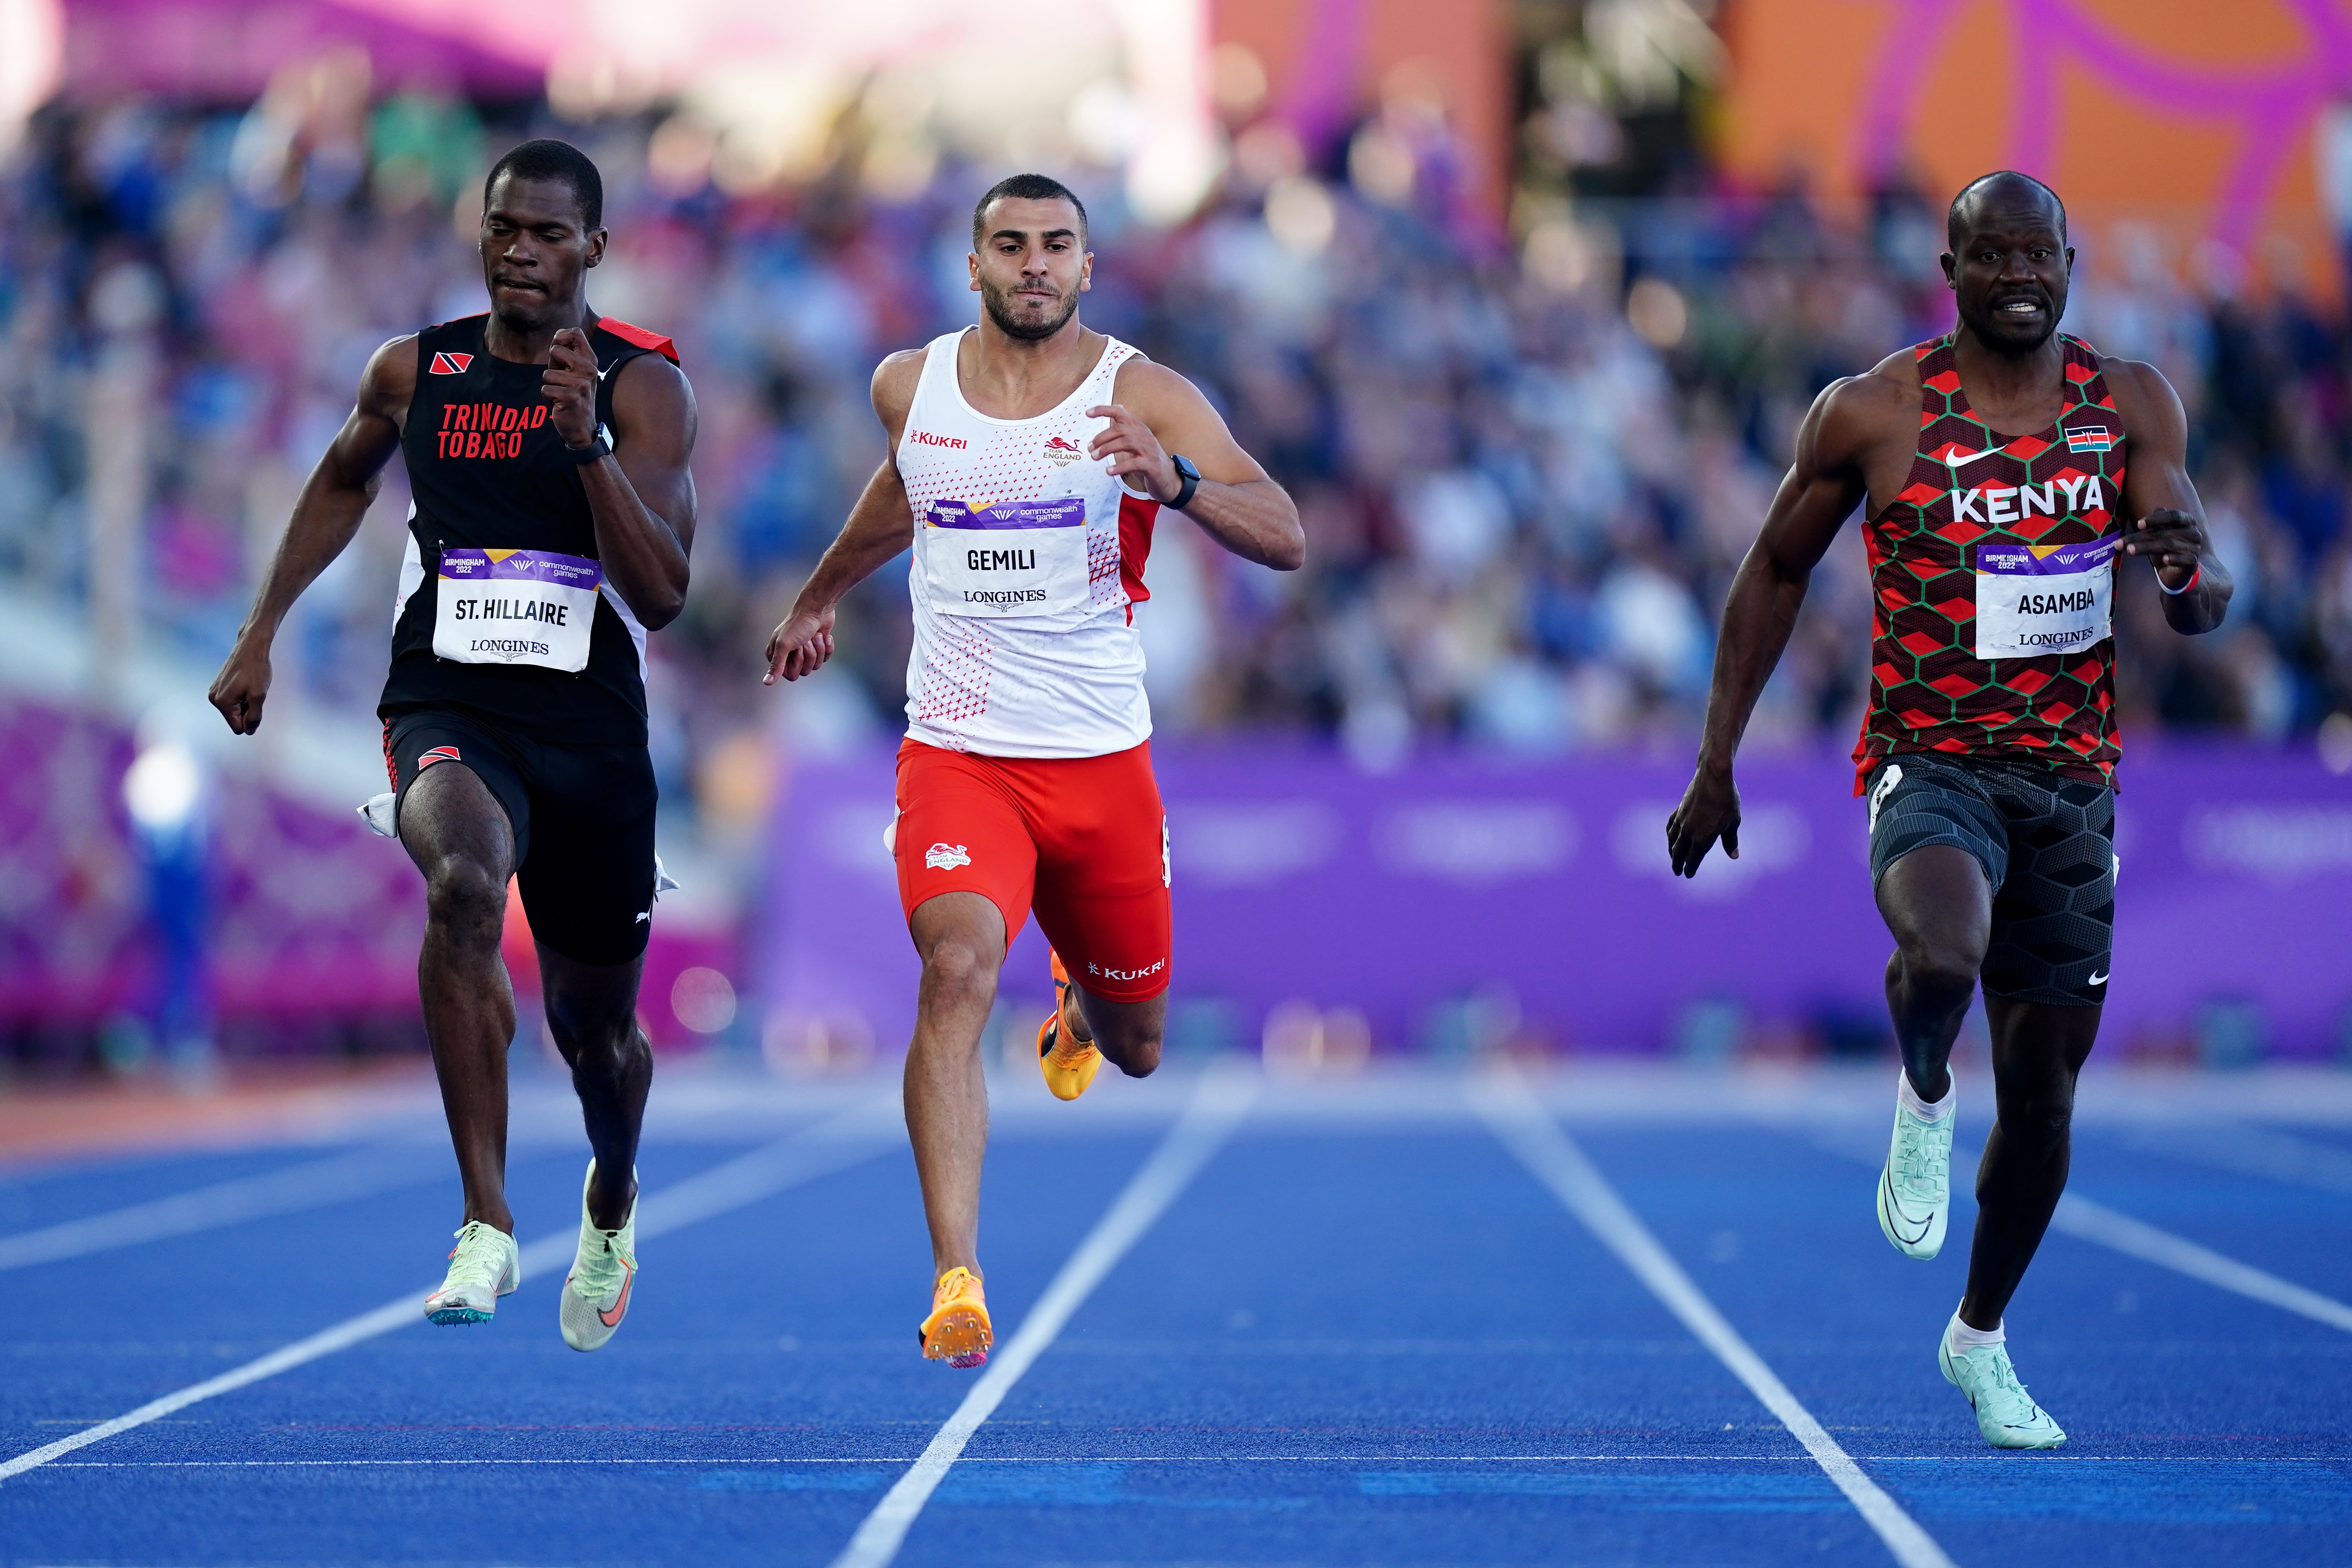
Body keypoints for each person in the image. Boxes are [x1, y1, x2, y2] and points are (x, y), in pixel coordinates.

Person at [1665, 171, 2229, 1448]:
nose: (2021, 276)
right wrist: (1717, 761)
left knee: (2041, 1101)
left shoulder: (2128, 402)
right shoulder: (1873, 411)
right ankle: (1921, 1091)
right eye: (1996, 257)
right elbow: (1771, 570)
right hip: (1932, 758)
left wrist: (2192, 580)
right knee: (1942, 947)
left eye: (2042, 256)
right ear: (1950, 266)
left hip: (2074, 780)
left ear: (2070, 264)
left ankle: (1977, 1335)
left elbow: (2196, 584)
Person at [762, 173, 1303, 1369]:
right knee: (953, 970)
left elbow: (1287, 531)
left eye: (1056, 245)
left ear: (1086, 265)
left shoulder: (1144, 392)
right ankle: (958, 1274)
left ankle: (1076, 998)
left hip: (1099, 761)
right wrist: (817, 597)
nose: (1033, 265)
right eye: (1009, 245)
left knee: (1138, 1041)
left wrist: (1183, 487)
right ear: (974, 265)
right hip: (959, 752)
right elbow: (902, 494)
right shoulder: (910, 382)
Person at [208, 140, 699, 1351]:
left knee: (602, 1041)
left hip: (589, 732)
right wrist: (260, 631)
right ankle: (485, 1219)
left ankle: (612, 1191)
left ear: (592, 246)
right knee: (463, 882)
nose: (518, 252)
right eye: (500, 230)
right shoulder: (412, 371)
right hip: (445, 705)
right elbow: (338, 480)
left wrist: (584, 444)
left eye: (545, 234)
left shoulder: (642, 388)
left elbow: (667, 593)